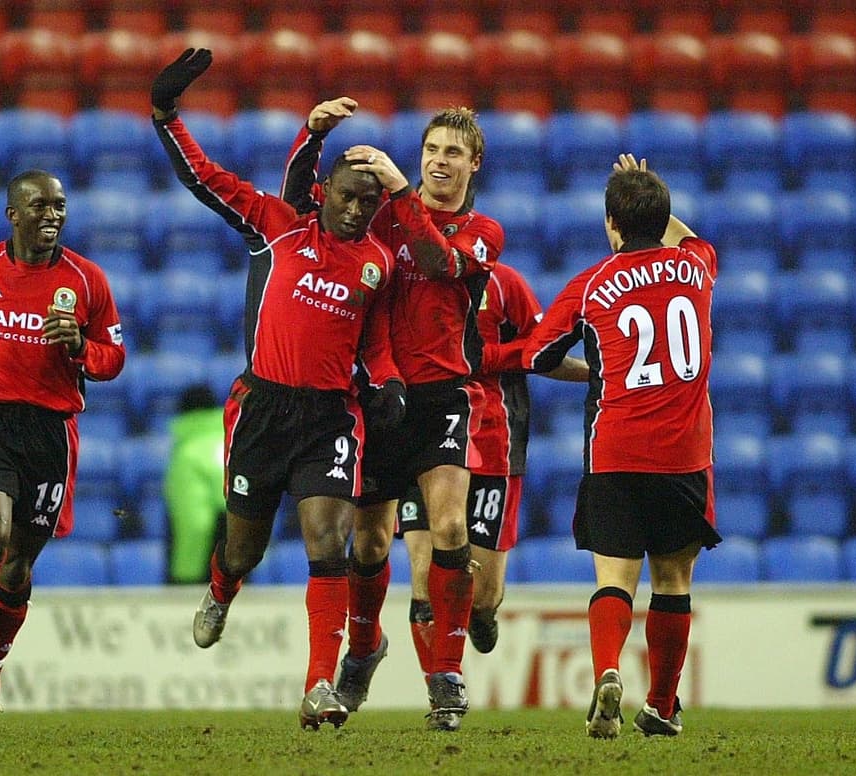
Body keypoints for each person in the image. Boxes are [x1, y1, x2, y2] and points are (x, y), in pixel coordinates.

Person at [153, 49, 412, 731]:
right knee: (244, 547)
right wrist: (165, 116)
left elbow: (376, 343)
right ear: (321, 192)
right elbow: (204, 178)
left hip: (331, 417)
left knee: (328, 542)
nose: (358, 210)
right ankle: (221, 589)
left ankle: (318, 686)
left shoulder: (378, 265)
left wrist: (387, 383)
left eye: (369, 201)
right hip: (262, 409)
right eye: (347, 196)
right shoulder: (275, 227)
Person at [282, 98, 502, 731]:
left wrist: (402, 190)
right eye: (431, 150)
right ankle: (361, 651)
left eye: (452, 152)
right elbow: (301, 208)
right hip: (380, 397)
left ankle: (447, 678)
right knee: (370, 543)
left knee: (451, 529)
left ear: (473, 163)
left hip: (444, 399)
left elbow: (436, 262)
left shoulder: (482, 232)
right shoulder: (379, 221)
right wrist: (315, 133)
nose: (439, 161)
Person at [483, 154, 721, 739]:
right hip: (685, 458)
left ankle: (609, 671)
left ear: (612, 224)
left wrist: (498, 360)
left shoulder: (590, 285)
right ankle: (662, 704)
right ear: (663, 219)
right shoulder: (699, 267)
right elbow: (689, 237)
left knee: (614, 579)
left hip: (616, 451)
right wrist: (650, 198)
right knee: (673, 582)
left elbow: (537, 355)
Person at [0, 169, 125, 735]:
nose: (52, 215)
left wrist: (83, 348)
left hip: (52, 431)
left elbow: (113, 358)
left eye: (59, 205)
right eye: (39, 205)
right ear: (13, 214)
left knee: (16, 571)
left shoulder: (87, 280)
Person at [395, 263, 589, 659]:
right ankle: (444, 688)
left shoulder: (506, 282)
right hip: (424, 432)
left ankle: (483, 614)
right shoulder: (410, 277)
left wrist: (594, 373)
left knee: (480, 597)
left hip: (493, 440)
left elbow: (542, 351)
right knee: (423, 574)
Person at [163, 384, 225, 584]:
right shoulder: (233, 445)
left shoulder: (188, 454)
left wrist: (185, 577)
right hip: (241, 554)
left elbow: (195, 522)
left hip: (204, 563)